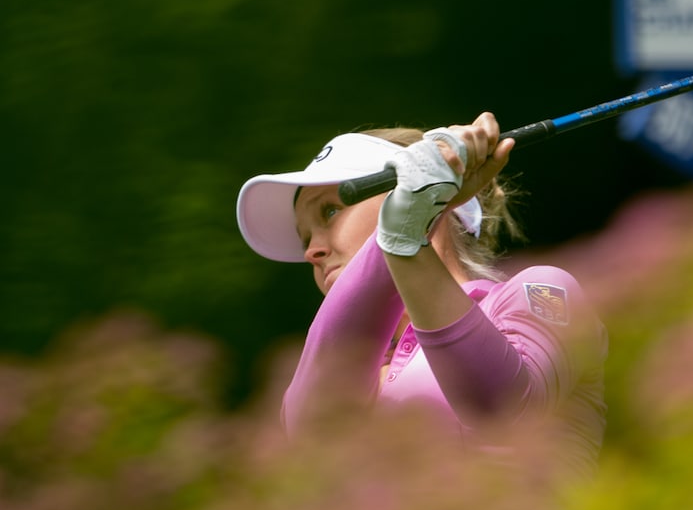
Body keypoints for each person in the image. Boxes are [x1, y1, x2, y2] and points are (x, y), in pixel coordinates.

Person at [236, 112, 607, 481]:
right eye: (305, 237)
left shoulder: (540, 290)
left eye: (331, 210)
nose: (311, 251)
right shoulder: (340, 368)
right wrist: (404, 225)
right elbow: (311, 432)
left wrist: (411, 222)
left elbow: (502, 405)